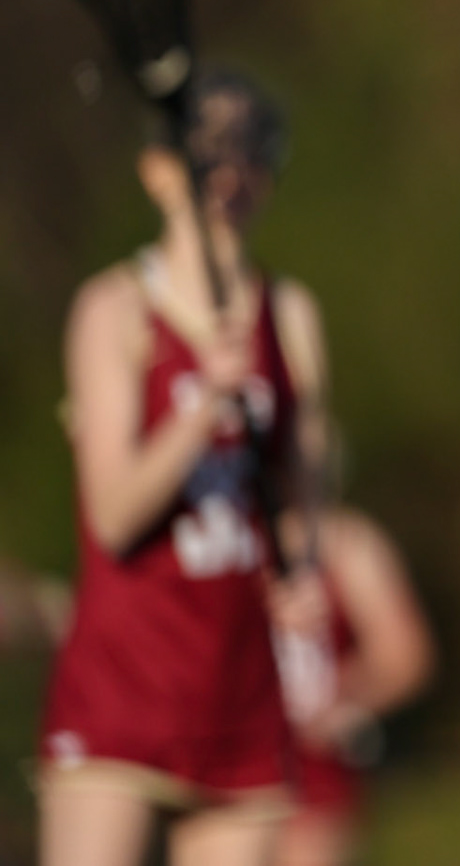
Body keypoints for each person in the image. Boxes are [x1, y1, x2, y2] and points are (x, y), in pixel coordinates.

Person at [40, 71, 327, 866]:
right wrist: (204, 407)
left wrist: (301, 570)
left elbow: (300, 503)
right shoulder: (115, 309)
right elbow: (115, 514)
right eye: (209, 155)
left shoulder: (290, 316)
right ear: (158, 171)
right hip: (123, 684)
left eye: (248, 153)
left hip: (240, 688)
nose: (231, 176)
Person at [270, 503, 434, 866]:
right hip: (219, 755)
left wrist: (334, 705)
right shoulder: (213, 532)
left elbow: (403, 658)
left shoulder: (347, 542)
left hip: (310, 769)